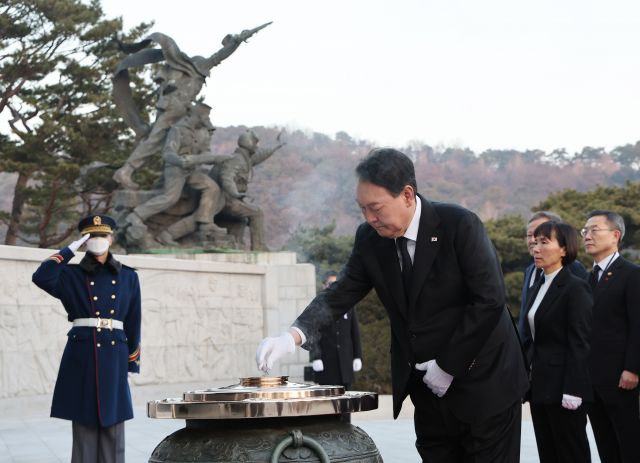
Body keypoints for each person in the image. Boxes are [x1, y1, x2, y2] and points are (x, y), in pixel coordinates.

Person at [256, 148, 529, 462]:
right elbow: (340, 293)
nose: (370, 219)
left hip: (485, 381)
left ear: (408, 195)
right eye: (362, 209)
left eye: (376, 208)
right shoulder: (370, 239)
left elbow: (489, 301)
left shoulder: (459, 225)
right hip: (428, 388)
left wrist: (448, 366)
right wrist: (292, 336)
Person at [32, 215, 141, 463]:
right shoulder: (70, 275)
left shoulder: (128, 277)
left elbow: (134, 321)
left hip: (115, 354)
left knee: (114, 425)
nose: (98, 241)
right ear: (84, 240)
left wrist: (132, 362)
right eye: (91, 236)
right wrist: (70, 250)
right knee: (84, 425)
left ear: (111, 238)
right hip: (82, 354)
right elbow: (41, 276)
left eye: (102, 235)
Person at [520, 221, 593, 462]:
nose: (536, 248)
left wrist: (573, 389)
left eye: (544, 242)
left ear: (564, 249)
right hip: (539, 387)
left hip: (564, 390)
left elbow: (580, 343)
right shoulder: (537, 286)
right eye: (535, 242)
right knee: (548, 453)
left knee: (571, 453)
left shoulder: (575, 288)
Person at [582, 210, 640, 463]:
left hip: (621, 378)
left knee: (629, 443)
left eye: (595, 230)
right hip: (592, 379)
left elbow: (638, 324)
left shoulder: (631, 274)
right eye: (585, 231)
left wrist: (632, 368)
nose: (587, 236)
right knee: (605, 444)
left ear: (615, 235)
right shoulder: (587, 277)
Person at [125, 102, 224, 245]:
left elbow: (205, 152)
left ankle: (204, 222)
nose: (207, 119)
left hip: (192, 171)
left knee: (212, 187)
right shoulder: (178, 130)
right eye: (205, 116)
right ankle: (137, 214)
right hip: (175, 169)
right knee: (170, 197)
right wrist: (179, 161)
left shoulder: (203, 132)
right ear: (198, 115)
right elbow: (168, 153)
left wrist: (210, 158)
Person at [209, 129, 285, 251]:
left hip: (230, 199)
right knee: (257, 213)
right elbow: (226, 178)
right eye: (255, 143)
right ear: (248, 143)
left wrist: (276, 147)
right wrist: (235, 193)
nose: (256, 146)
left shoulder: (244, 159)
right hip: (225, 200)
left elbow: (260, 156)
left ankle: (236, 243)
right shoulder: (236, 159)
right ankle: (259, 247)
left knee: (241, 220)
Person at [517, 211, 587, 337]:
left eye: (543, 240)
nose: (533, 242)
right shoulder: (530, 270)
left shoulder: (574, 271)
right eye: (530, 235)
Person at [310, 271, 363, 422]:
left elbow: (355, 332)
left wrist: (357, 356)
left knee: (345, 402)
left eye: (336, 284)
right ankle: (328, 431)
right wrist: (315, 357)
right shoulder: (318, 305)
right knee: (327, 403)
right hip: (327, 363)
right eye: (330, 284)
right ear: (324, 285)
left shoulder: (348, 303)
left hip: (345, 364)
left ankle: (345, 429)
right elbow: (312, 332)